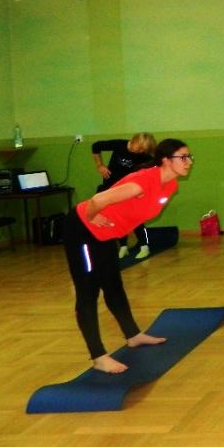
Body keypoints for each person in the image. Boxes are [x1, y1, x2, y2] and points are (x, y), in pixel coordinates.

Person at [62, 138, 193, 373]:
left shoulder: (170, 185)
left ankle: (133, 335)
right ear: (165, 160)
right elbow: (98, 200)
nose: (189, 162)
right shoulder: (144, 181)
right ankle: (98, 357)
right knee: (88, 292)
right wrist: (91, 216)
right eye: (183, 157)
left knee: (113, 285)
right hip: (83, 230)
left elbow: (135, 212)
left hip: (106, 234)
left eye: (189, 157)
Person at [91, 133, 156, 259]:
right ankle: (123, 246)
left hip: (129, 189)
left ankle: (144, 246)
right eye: (139, 148)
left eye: (143, 150)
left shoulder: (144, 155)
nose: (140, 152)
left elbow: (154, 167)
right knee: (116, 216)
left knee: (134, 216)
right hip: (112, 186)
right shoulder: (119, 144)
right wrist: (100, 166)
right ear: (134, 141)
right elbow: (95, 146)